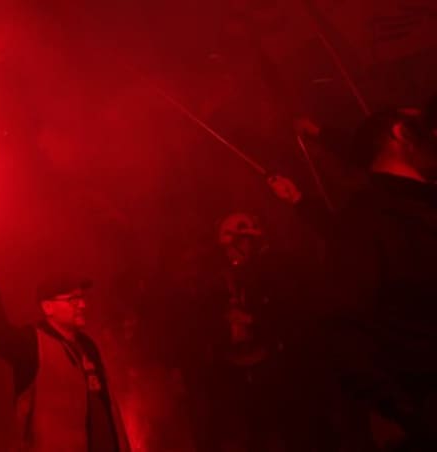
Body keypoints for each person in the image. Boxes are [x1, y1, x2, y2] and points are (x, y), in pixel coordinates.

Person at [0, 215, 131, 452]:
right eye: (73, 299)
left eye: (82, 298)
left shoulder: (88, 345)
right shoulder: (32, 345)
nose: (82, 305)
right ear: (47, 307)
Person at [322, 107, 437, 450]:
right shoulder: (365, 222)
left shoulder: (422, 208)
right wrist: (407, 412)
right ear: (403, 133)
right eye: (428, 127)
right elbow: (343, 326)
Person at [180, 212, 320, 452]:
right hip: (231, 373)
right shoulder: (210, 280)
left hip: (273, 368)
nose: (236, 252)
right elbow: (195, 324)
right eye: (232, 245)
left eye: (243, 243)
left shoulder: (274, 273)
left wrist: (255, 320)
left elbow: (293, 314)